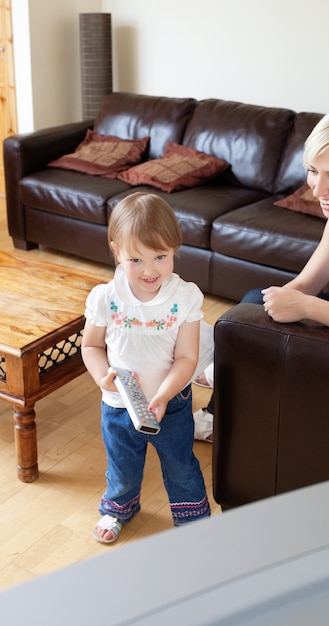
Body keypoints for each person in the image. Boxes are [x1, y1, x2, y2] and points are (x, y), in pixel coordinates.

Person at [194, 100, 329, 434]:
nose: (317, 189)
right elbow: (307, 283)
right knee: (255, 301)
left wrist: (307, 307)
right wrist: (252, 322)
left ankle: (216, 414)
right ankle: (220, 381)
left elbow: (310, 299)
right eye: (313, 171)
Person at [82, 192, 213, 544]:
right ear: (116, 251)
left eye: (161, 256)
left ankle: (193, 518)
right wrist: (102, 378)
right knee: (122, 466)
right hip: (119, 406)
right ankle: (118, 508)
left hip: (172, 404)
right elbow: (92, 346)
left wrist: (166, 394)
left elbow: (186, 358)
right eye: (136, 259)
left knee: (180, 465)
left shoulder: (185, 297)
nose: (150, 270)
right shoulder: (105, 297)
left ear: (175, 248)